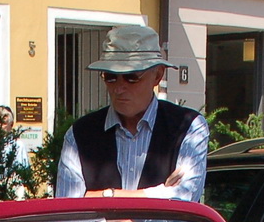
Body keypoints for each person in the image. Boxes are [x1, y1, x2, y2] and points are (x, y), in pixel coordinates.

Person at [54, 24, 210, 203]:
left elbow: (183, 206)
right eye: (110, 76)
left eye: (132, 77)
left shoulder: (188, 127)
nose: (119, 88)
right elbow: (69, 215)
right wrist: (159, 196)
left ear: (158, 75)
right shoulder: (79, 134)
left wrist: (104, 196)